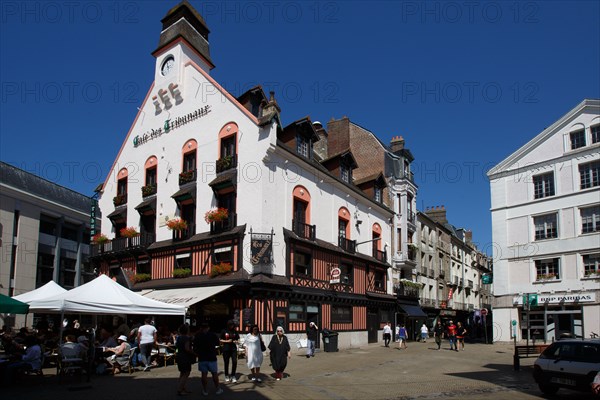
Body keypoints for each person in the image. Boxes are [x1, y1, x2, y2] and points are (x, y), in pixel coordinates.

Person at [193, 323, 223, 396]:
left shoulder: (198, 335)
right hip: (211, 356)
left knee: (204, 374)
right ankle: (218, 389)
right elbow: (218, 343)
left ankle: (205, 390)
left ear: (201, 328)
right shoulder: (213, 335)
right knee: (214, 374)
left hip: (202, 357)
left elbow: (194, 346)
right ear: (208, 327)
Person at [175, 324, 194, 396]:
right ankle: (180, 389)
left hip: (179, 356)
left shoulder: (179, 337)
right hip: (185, 357)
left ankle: (183, 388)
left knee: (182, 373)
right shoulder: (186, 338)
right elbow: (187, 348)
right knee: (186, 373)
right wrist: (194, 353)